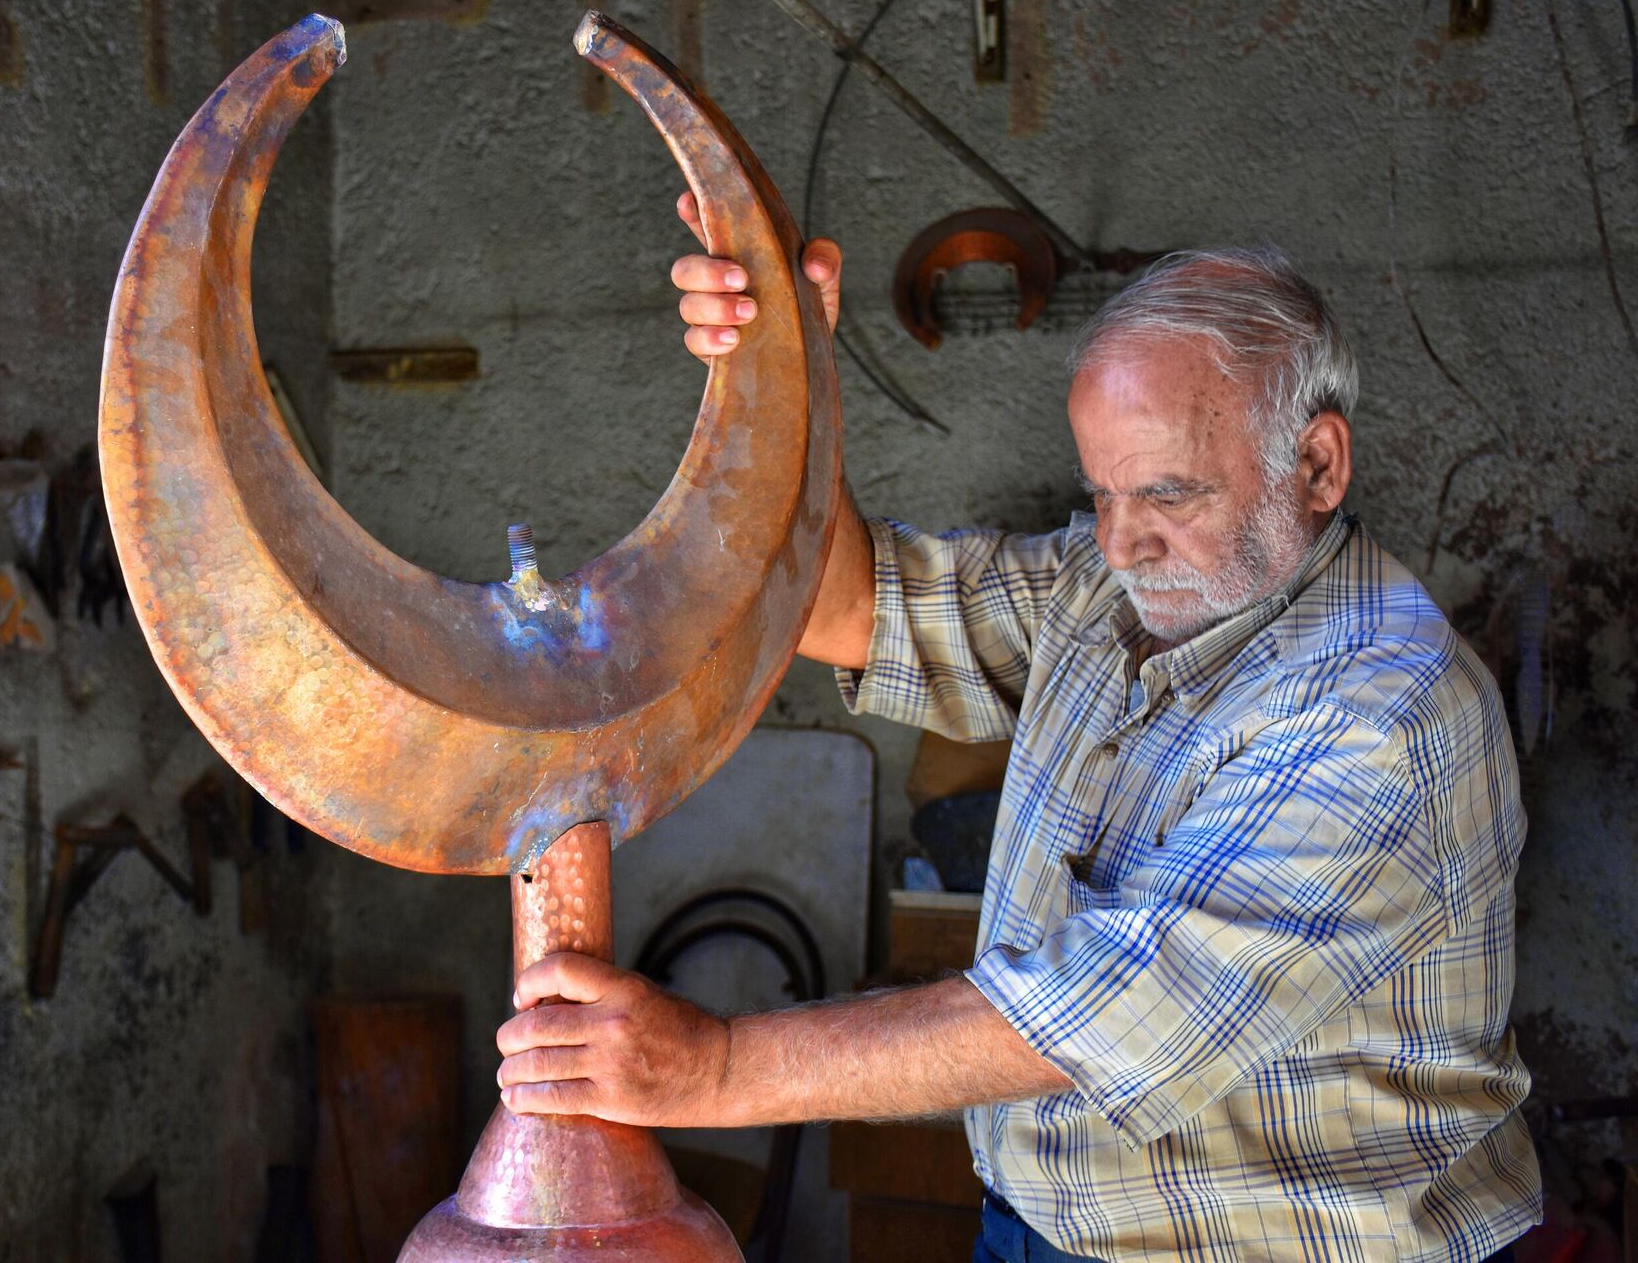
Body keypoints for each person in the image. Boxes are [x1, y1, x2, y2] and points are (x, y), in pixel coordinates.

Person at [494, 193, 1541, 1262]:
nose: (1124, 544)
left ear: (1318, 464)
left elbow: (1110, 1009)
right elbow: (842, 602)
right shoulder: (1106, 590)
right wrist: (778, 382)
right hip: (1037, 1229)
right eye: (1104, 494)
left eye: (1169, 495)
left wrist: (714, 1068)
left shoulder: (1381, 709)